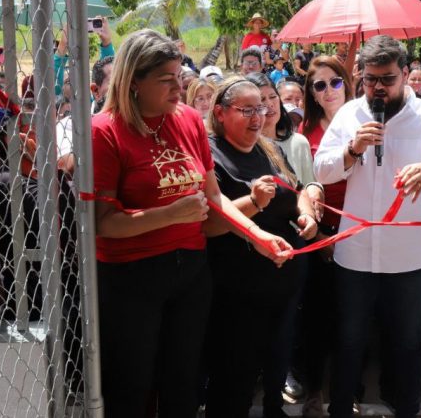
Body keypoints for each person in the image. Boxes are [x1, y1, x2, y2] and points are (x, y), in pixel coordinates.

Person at [91, 29, 291, 417]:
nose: (178, 88)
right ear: (134, 82)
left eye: (179, 76)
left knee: (182, 383)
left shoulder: (187, 120)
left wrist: (259, 235)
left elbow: (213, 199)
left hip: (191, 275)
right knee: (131, 386)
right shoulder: (105, 131)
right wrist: (168, 214)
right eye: (166, 80)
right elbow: (104, 224)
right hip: (132, 278)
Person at [313, 35, 421, 418]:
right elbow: (321, 167)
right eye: (370, 79)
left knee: (407, 344)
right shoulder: (349, 114)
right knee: (349, 342)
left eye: (388, 79)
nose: (378, 88)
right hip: (356, 253)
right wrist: (352, 149)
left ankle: (406, 410)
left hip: (409, 257)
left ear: (405, 75)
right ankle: (341, 410)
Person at [203, 77, 317, 418]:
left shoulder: (269, 148)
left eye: (262, 109)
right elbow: (209, 223)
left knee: (275, 371)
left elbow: (297, 192)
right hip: (236, 296)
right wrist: (253, 201)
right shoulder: (210, 154)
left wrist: (306, 216)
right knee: (233, 382)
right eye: (247, 110)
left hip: (281, 290)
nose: (258, 118)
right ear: (220, 113)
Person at [297, 55, 354, 417]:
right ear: (312, 93)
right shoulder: (304, 133)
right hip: (318, 234)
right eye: (320, 84)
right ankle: (314, 390)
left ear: (347, 84)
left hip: (361, 230)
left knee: (354, 319)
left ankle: (350, 390)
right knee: (317, 317)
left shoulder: (368, 122)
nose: (329, 90)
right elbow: (303, 184)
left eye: (335, 81)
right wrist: (319, 237)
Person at [247, 73, 316, 185]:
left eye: (273, 97)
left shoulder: (299, 142)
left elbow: (309, 187)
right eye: (261, 99)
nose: (269, 104)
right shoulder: (243, 147)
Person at [54, 16, 115, 97]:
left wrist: (107, 42)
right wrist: (63, 45)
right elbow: (53, 85)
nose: (72, 78)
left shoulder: (92, 101)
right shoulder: (58, 98)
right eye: (68, 80)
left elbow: (108, 73)